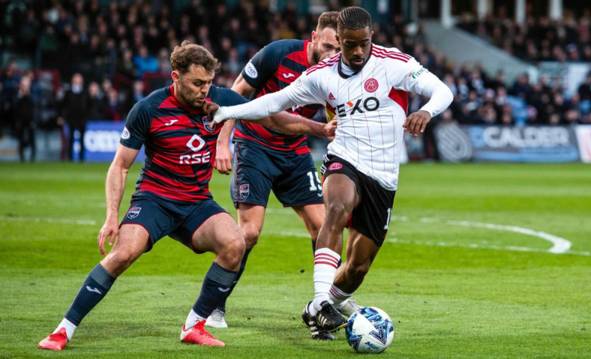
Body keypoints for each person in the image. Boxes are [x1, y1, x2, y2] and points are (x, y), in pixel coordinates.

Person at [37, 40, 333, 351]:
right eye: (197, 83)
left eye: (208, 82)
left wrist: (319, 129)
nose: (204, 90)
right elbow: (120, 166)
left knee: (236, 243)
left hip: (195, 202)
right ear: (175, 77)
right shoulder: (149, 109)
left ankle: (194, 324)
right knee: (123, 254)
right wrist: (112, 215)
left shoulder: (219, 99)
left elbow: (271, 117)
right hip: (155, 199)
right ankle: (63, 330)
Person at [209, 6, 453, 337]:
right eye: (348, 44)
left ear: (371, 38)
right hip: (343, 157)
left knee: (358, 267)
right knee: (335, 210)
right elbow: (273, 102)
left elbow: (443, 91)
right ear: (338, 39)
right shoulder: (321, 74)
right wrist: (228, 112)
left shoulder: (394, 63)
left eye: (362, 43)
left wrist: (426, 110)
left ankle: (323, 305)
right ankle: (322, 301)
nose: (355, 51)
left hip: (383, 173)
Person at [210, 12, 357, 337]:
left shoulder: (336, 72)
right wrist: (224, 142)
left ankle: (323, 310)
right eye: (329, 46)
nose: (333, 55)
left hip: (294, 153)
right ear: (314, 36)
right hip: (255, 147)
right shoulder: (277, 54)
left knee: (324, 226)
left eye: (339, 49)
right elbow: (237, 93)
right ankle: (215, 302)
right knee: (249, 233)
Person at [60, 73, 89, 162]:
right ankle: (70, 158)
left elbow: (89, 105)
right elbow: (63, 105)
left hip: (82, 119)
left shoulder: (85, 92)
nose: (77, 81)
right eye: (76, 79)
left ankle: (81, 158)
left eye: (79, 79)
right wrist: (63, 116)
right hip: (71, 119)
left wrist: (86, 116)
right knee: (71, 139)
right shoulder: (68, 92)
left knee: (82, 140)